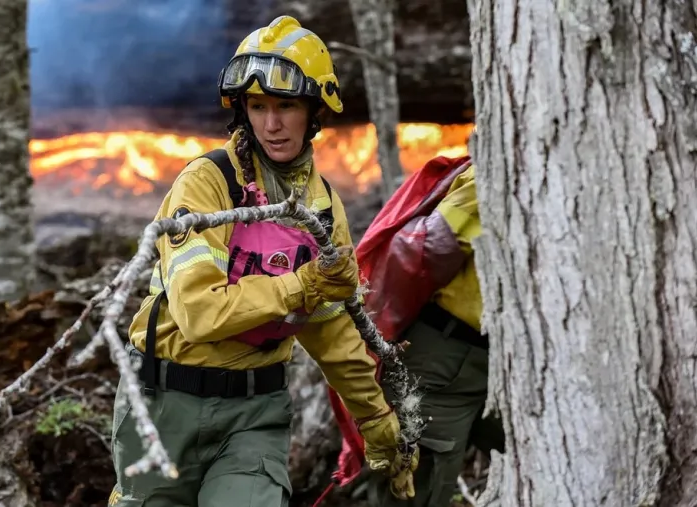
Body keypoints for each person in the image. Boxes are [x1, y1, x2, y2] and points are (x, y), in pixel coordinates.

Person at [107, 15, 416, 507]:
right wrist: (305, 284)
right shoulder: (206, 185)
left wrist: (378, 424)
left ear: (315, 110)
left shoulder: (322, 209)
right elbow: (199, 314)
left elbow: (332, 331)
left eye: (286, 106)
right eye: (258, 106)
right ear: (242, 111)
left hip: (255, 413)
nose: (271, 124)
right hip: (165, 405)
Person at [325, 150, 506, 507]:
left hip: (508, 366)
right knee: (415, 489)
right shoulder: (492, 173)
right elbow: (429, 249)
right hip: (443, 363)